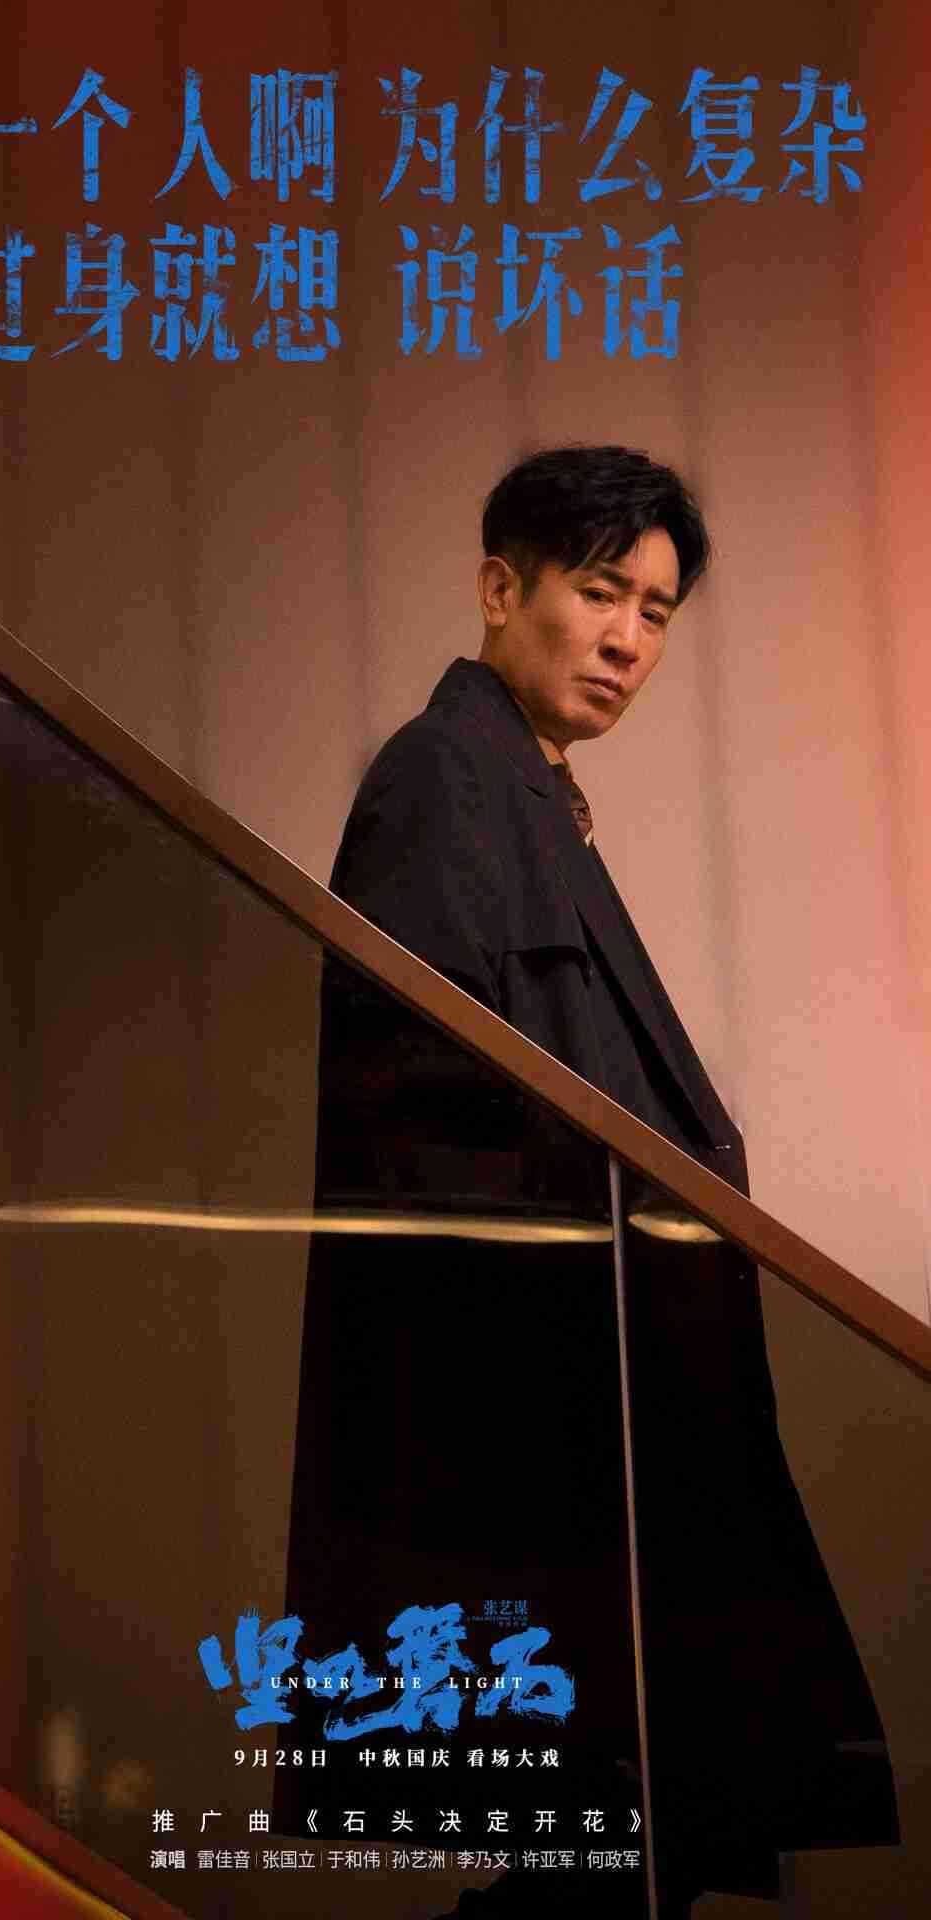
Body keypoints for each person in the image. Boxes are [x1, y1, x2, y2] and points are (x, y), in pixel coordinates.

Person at [284, 448, 897, 1916]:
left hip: (604, 1415)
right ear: (503, 591)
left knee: (619, 1858)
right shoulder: (445, 779)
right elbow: (414, 1118)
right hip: (550, 1424)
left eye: (657, 612)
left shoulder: (521, 793)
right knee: (597, 1862)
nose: (628, 639)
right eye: (602, 591)